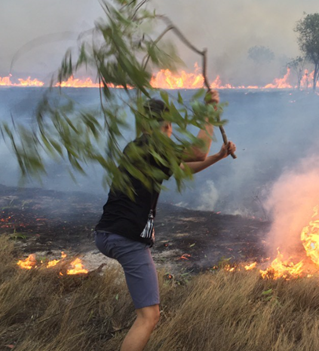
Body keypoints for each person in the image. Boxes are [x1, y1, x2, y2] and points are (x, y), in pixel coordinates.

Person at [94, 91, 235, 351]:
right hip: (127, 237)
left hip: (108, 232)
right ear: (166, 126)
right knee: (149, 316)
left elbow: (183, 167)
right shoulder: (153, 144)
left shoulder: (140, 147)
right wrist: (209, 113)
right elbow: (197, 150)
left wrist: (218, 157)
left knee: (147, 312)